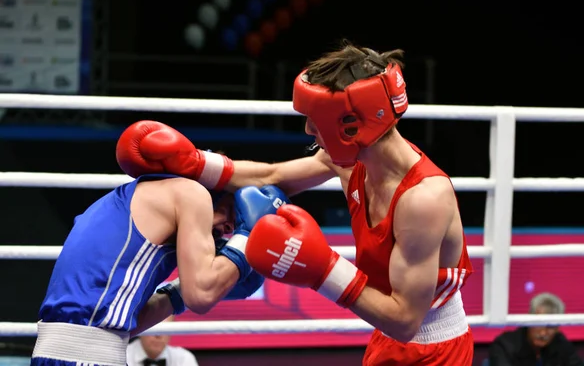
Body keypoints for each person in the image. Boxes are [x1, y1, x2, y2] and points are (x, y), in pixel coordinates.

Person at [117, 42, 474, 365]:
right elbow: (273, 176)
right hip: (386, 338)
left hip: (434, 350)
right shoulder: (349, 160)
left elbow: (404, 322)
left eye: (315, 119)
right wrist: (196, 164)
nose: (307, 129)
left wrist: (323, 270)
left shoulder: (423, 200)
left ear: (350, 125)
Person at [30, 139, 290, 366]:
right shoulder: (190, 193)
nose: (230, 227)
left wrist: (179, 292)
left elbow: (124, 326)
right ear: (212, 193)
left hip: (74, 352)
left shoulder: (128, 208)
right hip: (84, 357)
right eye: (233, 210)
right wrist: (244, 241)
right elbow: (203, 295)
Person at [488, 293, 584, 366]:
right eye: (539, 324)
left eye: (550, 327)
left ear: (557, 328)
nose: (543, 333)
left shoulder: (562, 344)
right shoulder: (504, 345)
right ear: (529, 320)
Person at [126, 315, 198, 366]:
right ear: (140, 326)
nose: (158, 335)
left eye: (165, 328)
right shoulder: (123, 356)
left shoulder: (184, 358)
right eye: (153, 326)